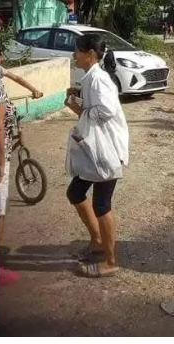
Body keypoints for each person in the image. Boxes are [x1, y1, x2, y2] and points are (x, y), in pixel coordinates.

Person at [63, 34, 129, 278]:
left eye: (78, 51)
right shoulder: (90, 77)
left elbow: (106, 111)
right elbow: (93, 112)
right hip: (95, 149)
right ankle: (97, 240)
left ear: (90, 54)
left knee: (102, 205)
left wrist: (81, 109)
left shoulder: (99, 79)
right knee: (75, 192)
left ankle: (110, 261)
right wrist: (77, 106)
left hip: (105, 151)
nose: (74, 55)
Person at [0, 40, 42, 286]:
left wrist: (34, 88)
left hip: (7, 125)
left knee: (17, 126)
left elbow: (17, 78)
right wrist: (0, 164)